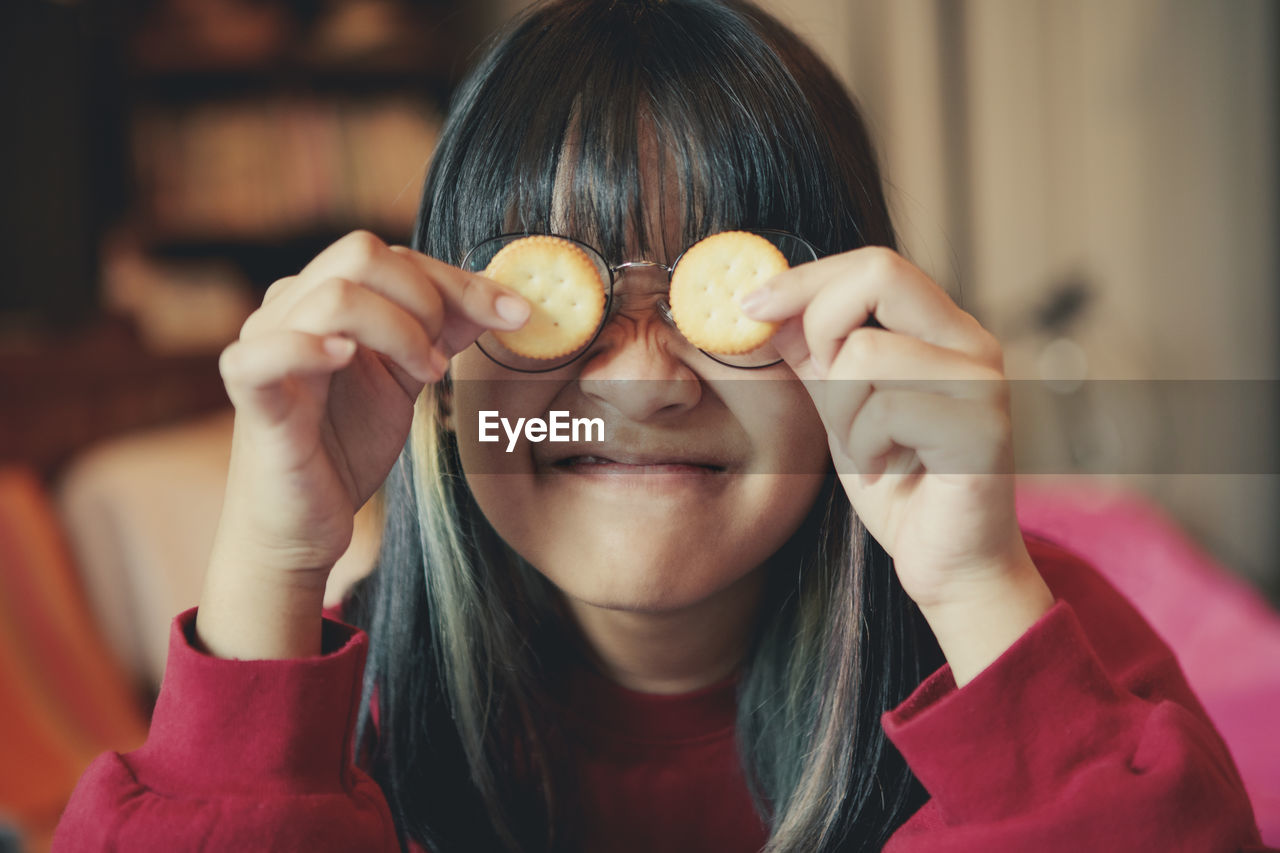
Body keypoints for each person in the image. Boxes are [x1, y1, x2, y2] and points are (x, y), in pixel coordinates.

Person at [55, 1, 1267, 851]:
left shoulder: (1042, 651)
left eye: (724, 301)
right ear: (443, 347)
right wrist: (269, 560)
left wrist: (970, 580)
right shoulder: (349, 713)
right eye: (549, 302)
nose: (641, 385)